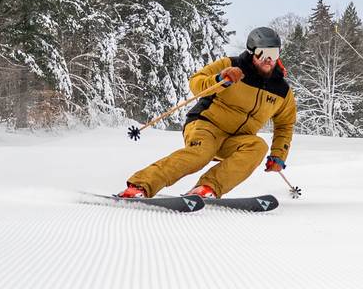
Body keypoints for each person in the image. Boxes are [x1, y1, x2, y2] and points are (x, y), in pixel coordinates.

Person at [121, 26, 296, 199]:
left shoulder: (281, 90)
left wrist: (278, 155)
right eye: (262, 53)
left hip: (236, 139)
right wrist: (220, 79)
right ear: (251, 53)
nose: (268, 59)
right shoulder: (231, 65)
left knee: (258, 146)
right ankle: (141, 185)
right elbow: (196, 82)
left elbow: (285, 124)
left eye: (274, 54)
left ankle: (207, 188)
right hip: (206, 125)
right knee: (201, 154)